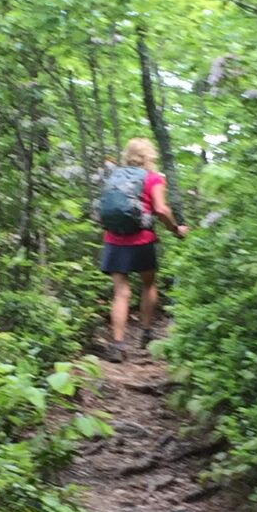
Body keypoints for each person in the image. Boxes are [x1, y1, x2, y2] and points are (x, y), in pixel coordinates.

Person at [96, 136, 186, 354]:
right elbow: (161, 210)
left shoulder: (114, 176)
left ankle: (117, 345)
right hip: (141, 239)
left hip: (114, 238)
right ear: (149, 156)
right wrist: (176, 230)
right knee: (148, 285)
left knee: (120, 293)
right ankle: (146, 332)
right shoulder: (153, 178)